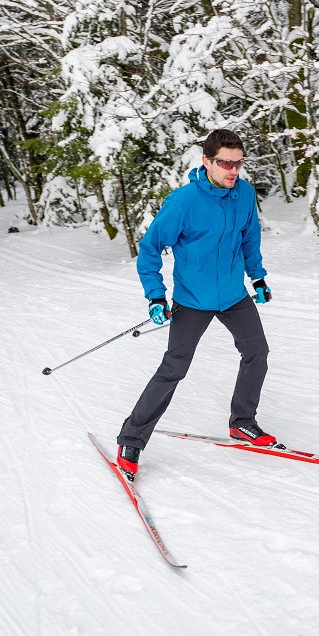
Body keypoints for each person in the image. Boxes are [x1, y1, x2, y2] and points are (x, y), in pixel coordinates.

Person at [116, 128, 274, 480]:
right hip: (192, 299)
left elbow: (250, 239)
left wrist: (258, 276)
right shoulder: (184, 202)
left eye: (238, 163)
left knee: (257, 353)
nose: (233, 171)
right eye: (225, 163)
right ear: (207, 161)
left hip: (233, 294)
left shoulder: (244, 195)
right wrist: (156, 295)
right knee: (174, 368)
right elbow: (150, 249)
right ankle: (131, 439)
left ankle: (242, 423)